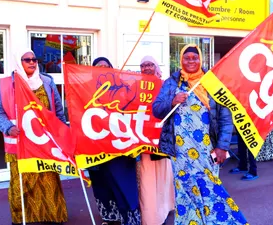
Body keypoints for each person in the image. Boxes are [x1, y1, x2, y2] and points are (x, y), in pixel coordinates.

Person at [153, 44, 248, 224]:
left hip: (207, 149)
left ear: (200, 60)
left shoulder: (212, 83)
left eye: (194, 58)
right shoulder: (171, 83)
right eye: (187, 58)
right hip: (180, 152)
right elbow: (157, 110)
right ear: (181, 60)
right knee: (184, 189)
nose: (191, 61)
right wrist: (172, 101)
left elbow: (226, 119)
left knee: (210, 186)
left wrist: (222, 146)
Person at [0, 49, 68, 225]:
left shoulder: (47, 82)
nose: (32, 62)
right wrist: (8, 127)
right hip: (20, 145)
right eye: (27, 59)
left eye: (34, 59)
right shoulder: (7, 85)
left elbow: (57, 109)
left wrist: (63, 133)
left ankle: (52, 216)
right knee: (21, 184)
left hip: (45, 143)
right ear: (19, 62)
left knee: (48, 181)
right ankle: (22, 219)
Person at [88, 57, 141, 225]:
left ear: (111, 68)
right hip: (96, 147)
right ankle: (109, 217)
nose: (102, 69)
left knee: (123, 183)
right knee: (102, 184)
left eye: (105, 66)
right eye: (98, 67)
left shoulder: (123, 87)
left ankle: (129, 218)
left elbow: (134, 108)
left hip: (120, 147)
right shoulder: (86, 89)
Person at [137, 56, 175, 225]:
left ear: (156, 66)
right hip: (143, 142)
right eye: (143, 65)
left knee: (163, 177)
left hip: (162, 140)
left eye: (150, 64)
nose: (146, 68)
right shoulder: (135, 86)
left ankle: (166, 208)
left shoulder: (165, 85)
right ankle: (151, 217)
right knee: (147, 181)